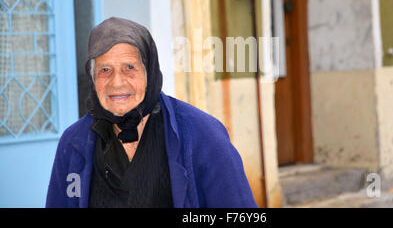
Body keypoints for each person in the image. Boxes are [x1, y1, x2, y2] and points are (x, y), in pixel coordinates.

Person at [46, 17, 257, 208]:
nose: (117, 82)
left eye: (129, 67)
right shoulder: (74, 142)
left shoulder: (202, 134)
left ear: (150, 72)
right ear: (92, 77)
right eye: (105, 70)